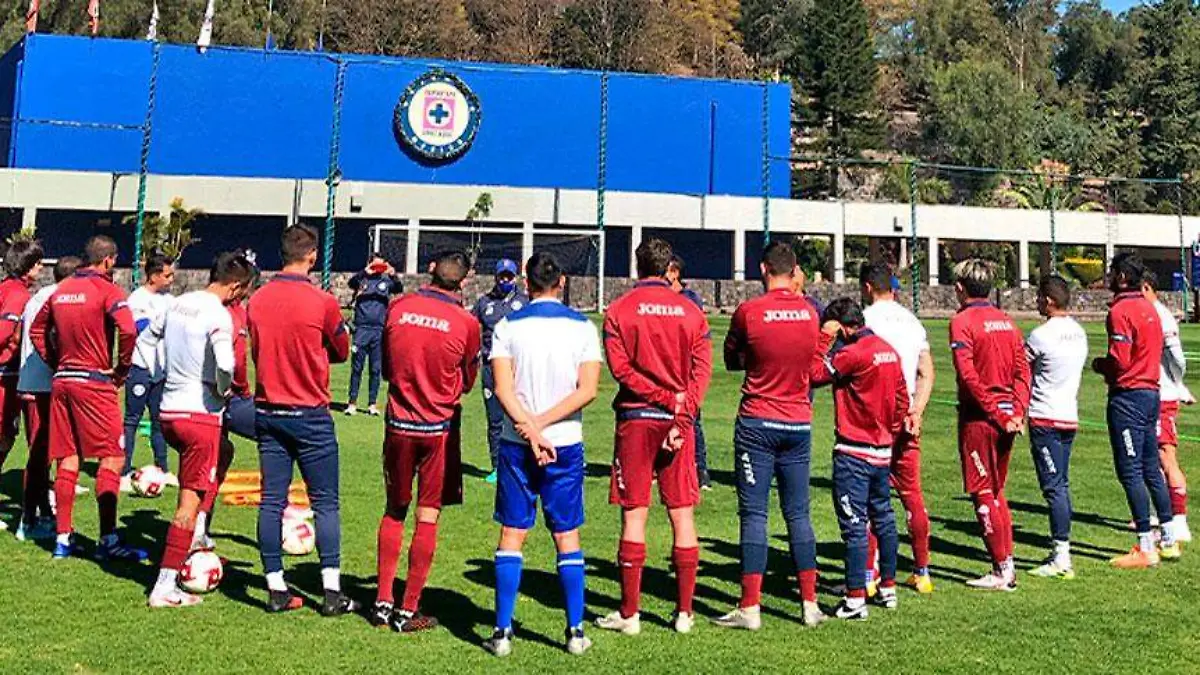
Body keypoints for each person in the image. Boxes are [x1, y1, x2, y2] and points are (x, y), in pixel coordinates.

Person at [482, 251, 602, 657]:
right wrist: (544, 426)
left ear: (527, 284)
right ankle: (575, 631)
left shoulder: (507, 325)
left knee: (513, 533)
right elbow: (587, 390)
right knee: (566, 534)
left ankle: (501, 633)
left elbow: (502, 389)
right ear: (562, 281)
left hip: (518, 443)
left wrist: (530, 427)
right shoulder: (584, 328)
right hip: (564, 443)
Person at [596, 237, 712, 636]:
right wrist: (681, 417)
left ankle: (630, 615)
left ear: (637, 267)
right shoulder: (692, 313)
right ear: (668, 270)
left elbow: (621, 370)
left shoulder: (618, 310)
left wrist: (663, 400)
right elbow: (701, 375)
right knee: (682, 514)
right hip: (676, 422)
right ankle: (684, 613)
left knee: (635, 514)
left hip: (636, 419)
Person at [713, 241, 823, 631]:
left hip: (758, 421)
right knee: (798, 512)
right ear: (795, 272)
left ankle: (751, 606)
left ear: (763, 269)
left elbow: (731, 358)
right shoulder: (810, 314)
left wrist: (756, 359)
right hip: (798, 422)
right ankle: (810, 603)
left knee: (755, 514)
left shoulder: (749, 311)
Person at [248, 224, 356, 615]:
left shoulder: (257, 300)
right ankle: (331, 592)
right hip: (309, 412)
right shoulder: (323, 301)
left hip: (269, 410)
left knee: (271, 501)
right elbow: (343, 350)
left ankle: (275, 586)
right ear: (311, 256)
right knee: (325, 502)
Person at [370, 250, 480, 633]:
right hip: (437, 430)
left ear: (431, 270)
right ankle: (407, 608)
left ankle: (383, 601)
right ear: (464, 281)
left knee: (394, 510)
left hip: (399, 424)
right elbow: (468, 380)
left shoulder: (398, 308)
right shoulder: (467, 323)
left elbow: (385, 365)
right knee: (428, 513)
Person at [148, 252, 254, 608]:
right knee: (186, 503)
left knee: (225, 452)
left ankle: (196, 536)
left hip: (169, 411)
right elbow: (226, 362)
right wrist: (222, 388)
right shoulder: (218, 315)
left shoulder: (176, 304)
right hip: (199, 417)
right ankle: (165, 586)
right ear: (236, 286)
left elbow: (150, 340)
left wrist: (162, 377)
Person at [30, 235, 146, 561]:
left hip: (63, 382)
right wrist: (122, 369)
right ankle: (108, 540)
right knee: (112, 457)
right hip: (94, 382)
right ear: (108, 261)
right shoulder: (107, 290)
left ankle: (63, 539)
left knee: (68, 458)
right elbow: (129, 329)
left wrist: (56, 361)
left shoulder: (61, 290)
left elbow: (37, 331)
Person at [811, 298, 909, 620]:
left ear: (840, 326)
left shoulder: (851, 353)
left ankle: (855, 600)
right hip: (882, 451)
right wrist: (889, 434)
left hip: (854, 451)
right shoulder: (889, 350)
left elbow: (813, 373)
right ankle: (889, 588)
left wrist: (823, 339)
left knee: (853, 525)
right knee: (884, 518)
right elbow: (901, 399)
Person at [1092, 253, 1178, 568]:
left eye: (1113, 273)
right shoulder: (1150, 308)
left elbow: (1120, 360)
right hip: (1151, 392)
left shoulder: (1122, 311)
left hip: (1128, 396)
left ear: (1123, 278)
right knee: (1150, 466)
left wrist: (1100, 365)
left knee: (1130, 471)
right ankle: (1169, 538)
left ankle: (1145, 545)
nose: (1109, 278)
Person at [948, 259, 1030, 591]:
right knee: (996, 490)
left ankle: (1002, 570)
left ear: (959, 289)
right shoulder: (1007, 321)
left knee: (982, 490)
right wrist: (1017, 411)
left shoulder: (962, 322)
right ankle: (1005, 563)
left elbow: (968, 377)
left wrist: (996, 413)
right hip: (1007, 417)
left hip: (981, 419)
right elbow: (1024, 371)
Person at [860, 261, 936, 594]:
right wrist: (917, 409)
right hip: (905, 413)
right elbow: (926, 371)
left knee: (868, 496)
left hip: (872, 416)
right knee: (912, 495)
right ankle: (922, 570)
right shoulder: (912, 321)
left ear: (866, 288)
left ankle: (869, 573)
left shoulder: (863, 321)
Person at [193, 257, 260, 551]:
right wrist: (241, 390)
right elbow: (235, 362)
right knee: (278, 437)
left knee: (219, 453)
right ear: (237, 287)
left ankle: (200, 524)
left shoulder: (189, 305)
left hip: (185, 396)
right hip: (219, 398)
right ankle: (277, 512)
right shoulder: (230, 315)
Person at [1024, 275, 1088, 579]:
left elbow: (1021, 372)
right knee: (1061, 484)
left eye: (1039, 298)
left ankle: (1062, 556)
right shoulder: (1079, 333)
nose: (1037, 303)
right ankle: (1061, 551)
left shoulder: (1040, 335)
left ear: (1048, 301)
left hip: (1045, 418)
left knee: (1054, 487)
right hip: (1068, 416)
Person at [0, 240, 46, 534]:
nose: (42, 268)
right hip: (5, 375)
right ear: (28, 267)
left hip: (8, 374)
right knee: (3, 437)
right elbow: (4, 333)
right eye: (39, 264)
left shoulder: (6, 288)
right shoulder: (18, 296)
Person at [1144, 272, 1192, 544]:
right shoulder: (1148, 313)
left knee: (1166, 455)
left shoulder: (1161, 316)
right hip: (1153, 393)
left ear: (1147, 287)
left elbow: (1177, 358)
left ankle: (1180, 520)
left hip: (1162, 396)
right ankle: (1157, 513)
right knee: (1150, 457)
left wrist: (1177, 384)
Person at [121, 253, 177, 491]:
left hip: (162, 371)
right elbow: (143, 329)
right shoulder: (137, 299)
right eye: (167, 275)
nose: (171, 279)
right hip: (141, 367)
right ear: (154, 276)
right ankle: (124, 471)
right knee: (132, 420)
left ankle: (162, 469)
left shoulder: (170, 300)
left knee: (159, 421)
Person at [473, 258, 528, 483]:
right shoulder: (484, 302)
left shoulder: (525, 301)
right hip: (490, 367)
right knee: (495, 419)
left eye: (509, 276)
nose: (505, 280)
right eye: (502, 276)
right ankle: (497, 466)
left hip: (518, 367)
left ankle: (525, 462)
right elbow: (470, 327)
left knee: (520, 416)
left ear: (515, 278)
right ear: (496, 277)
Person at [667, 254, 711, 490]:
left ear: (674, 272)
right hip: (665, 366)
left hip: (686, 368)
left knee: (691, 417)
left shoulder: (689, 299)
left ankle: (699, 468)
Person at [345, 254, 401, 417]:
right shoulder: (362, 280)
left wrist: (393, 274)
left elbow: (398, 288)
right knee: (357, 368)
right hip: (361, 329)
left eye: (380, 265)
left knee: (376, 369)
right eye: (375, 265)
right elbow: (351, 283)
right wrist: (365, 271)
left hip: (379, 330)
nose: (378, 269)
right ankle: (352, 403)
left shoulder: (386, 281)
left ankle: (372, 403)